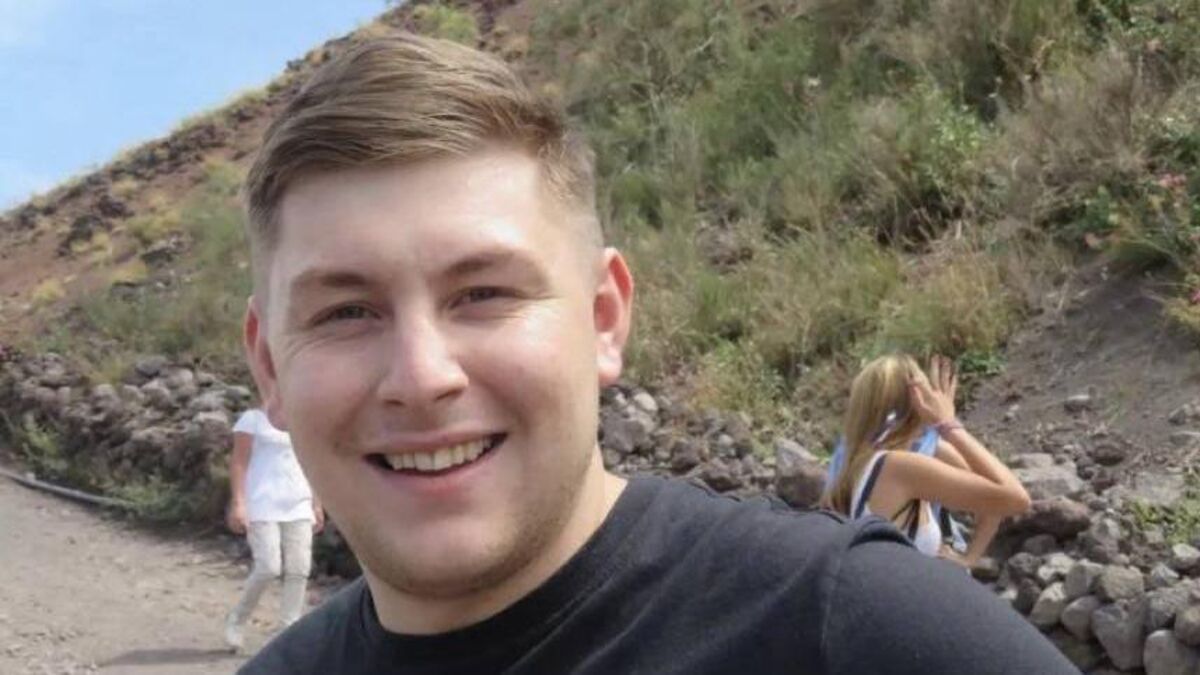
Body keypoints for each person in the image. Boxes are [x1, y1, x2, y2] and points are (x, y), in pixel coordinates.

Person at [235, 33, 1077, 673]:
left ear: (604, 318)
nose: (421, 377)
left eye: (483, 293)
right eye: (346, 311)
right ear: (268, 366)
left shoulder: (857, 629)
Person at [821, 354, 1031, 569]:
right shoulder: (898, 466)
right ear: (918, 402)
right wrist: (948, 424)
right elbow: (1016, 499)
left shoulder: (854, 459)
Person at [224, 407, 324, 653]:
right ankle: (236, 619)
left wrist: (317, 502)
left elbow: (311, 462)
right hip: (262, 503)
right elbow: (239, 463)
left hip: (298, 503)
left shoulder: (302, 418)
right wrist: (238, 503)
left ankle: (289, 630)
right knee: (268, 567)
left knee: (299, 569)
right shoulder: (252, 419)